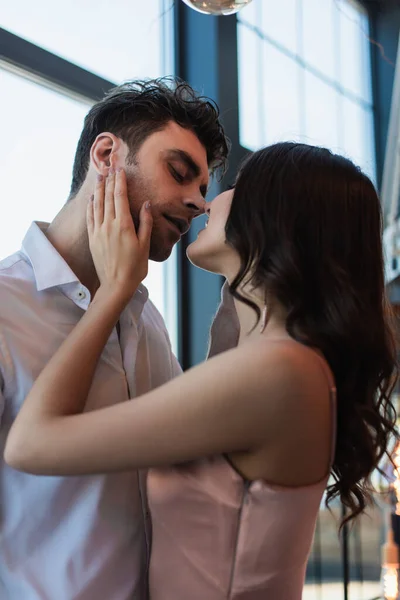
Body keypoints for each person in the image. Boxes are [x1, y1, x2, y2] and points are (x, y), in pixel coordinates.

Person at [5, 142, 398, 600]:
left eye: (233, 187)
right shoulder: (282, 365)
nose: (205, 202)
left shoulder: (278, 372)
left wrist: (113, 292)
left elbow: (31, 443)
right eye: (179, 172)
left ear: (277, 215)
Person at [0, 77, 229, 600]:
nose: (196, 203)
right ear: (106, 154)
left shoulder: (147, 320)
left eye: (203, 190)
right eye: (180, 172)